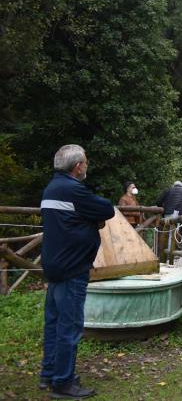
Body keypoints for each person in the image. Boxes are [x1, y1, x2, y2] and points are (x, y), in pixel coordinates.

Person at [40, 144, 115, 398]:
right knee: (69, 328)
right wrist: (93, 221)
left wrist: (87, 220)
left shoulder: (52, 188)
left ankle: (49, 374)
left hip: (54, 265)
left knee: (53, 323)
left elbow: (69, 222)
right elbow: (106, 209)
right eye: (85, 162)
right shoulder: (73, 190)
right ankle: (63, 382)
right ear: (77, 166)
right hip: (72, 268)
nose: (87, 165)